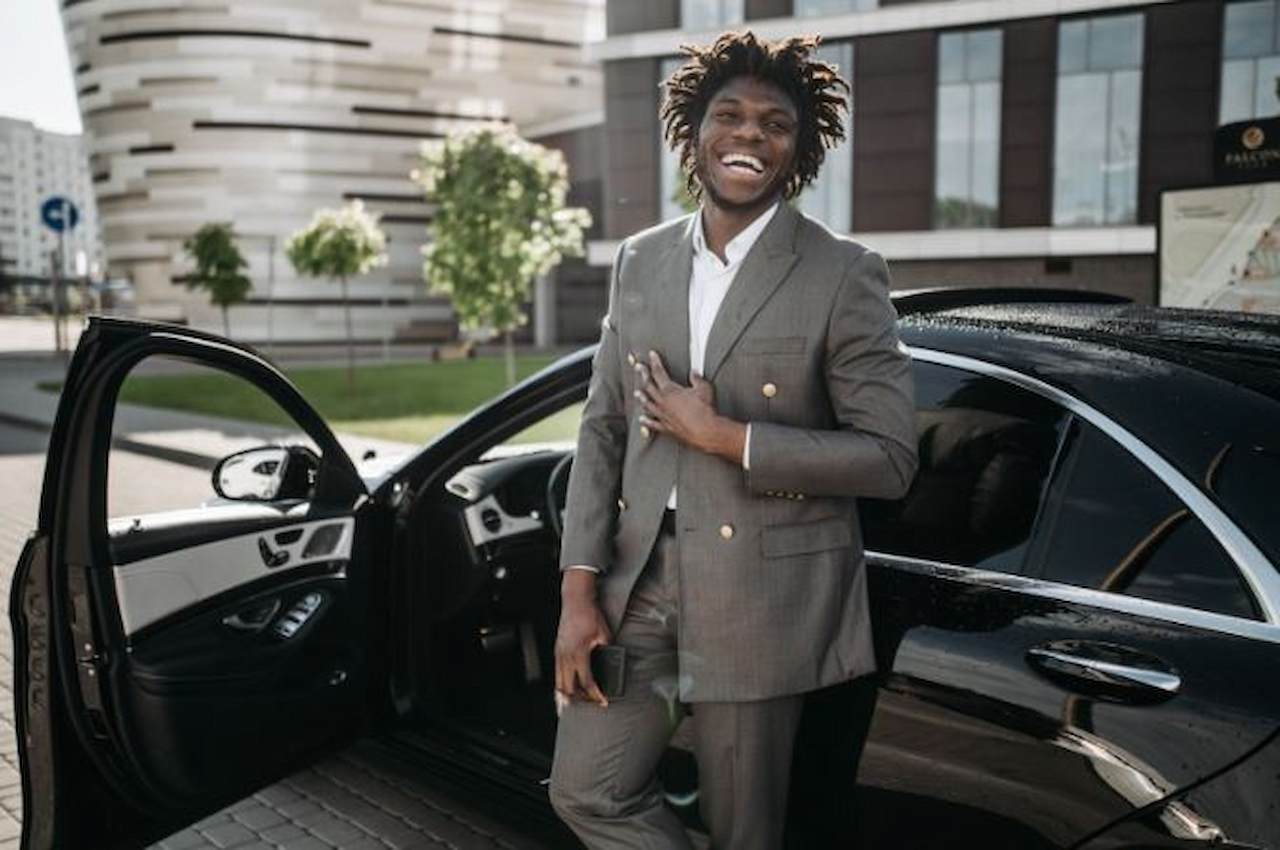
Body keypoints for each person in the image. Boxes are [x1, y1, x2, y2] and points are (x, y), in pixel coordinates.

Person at [548, 30, 918, 849]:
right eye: (730, 115)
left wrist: (727, 437)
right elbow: (603, 427)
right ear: (694, 131)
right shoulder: (640, 261)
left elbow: (890, 459)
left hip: (766, 595)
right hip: (639, 582)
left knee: (746, 829)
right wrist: (579, 594)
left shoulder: (843, 272)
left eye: (776, 124)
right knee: (586, 791)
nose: (750, 135)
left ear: (800, 149)